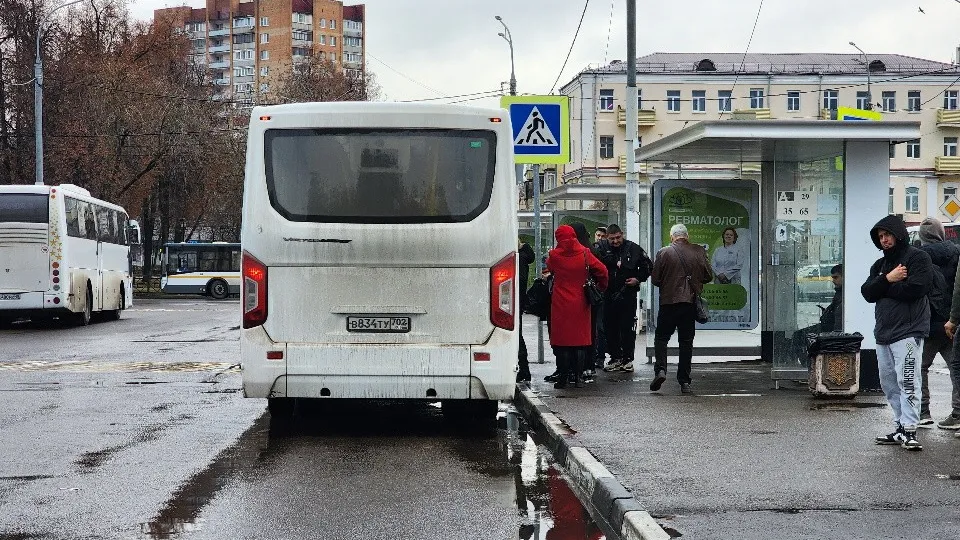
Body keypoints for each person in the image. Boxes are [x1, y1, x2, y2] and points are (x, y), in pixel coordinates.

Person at [861, 215, 933, 451]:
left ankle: (911, 429)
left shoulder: (918, 257)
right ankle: (899, 425)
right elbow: (867, 292)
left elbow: (918, 288)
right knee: (889, 383)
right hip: (884, 332)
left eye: (887, 235)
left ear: (898, 233)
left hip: (909, 331)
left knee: (909, 380)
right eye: (880, 237)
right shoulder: (880, 266)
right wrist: (888, 279)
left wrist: (883, 287)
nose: (884, 240)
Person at [650, 223, 712, 394]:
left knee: (661, 338)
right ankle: (684, 381)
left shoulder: (664, 252)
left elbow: (655, 279)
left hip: (668, 303)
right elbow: (708, 276)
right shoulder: (699, 251)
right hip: (689, 304)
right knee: (686, 342)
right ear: (687, 236)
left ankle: (661, 370)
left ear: (672, 237)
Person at [546, 225, 608, 389]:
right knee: (579, 341)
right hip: (581, 301)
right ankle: (578, 378)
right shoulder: (585, 253)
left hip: (560, 302)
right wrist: (601, 287)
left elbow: (549, 268)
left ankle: (563, 378)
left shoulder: (553, 255)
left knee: (562, 341)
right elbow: (603, 271)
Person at [915, 217, 960, 428]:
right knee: (956, 367)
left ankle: (923, 412)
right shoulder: (956, 253)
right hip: (952, 322)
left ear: (923, 237)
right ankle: (957, 413)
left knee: (920, 368)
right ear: (941, 233)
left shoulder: (918, 257)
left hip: (928, 322)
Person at [597, 224, 652, 373]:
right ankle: (615, 357)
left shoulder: (633, 248)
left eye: (618, 238)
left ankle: (627, 359)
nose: (615, 241)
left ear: (622, 234)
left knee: (627, 328)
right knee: (609, 328)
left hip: (627, 294)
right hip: (608, 294)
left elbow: (648, 267)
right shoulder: (601, 248)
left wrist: (638, 279)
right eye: (612, 239)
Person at [792, 264, 843, 365]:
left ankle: (809, 366)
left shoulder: (844, 294)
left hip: (831, 329)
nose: (833, 281)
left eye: (836, 277)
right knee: (799, 336)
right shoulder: (839, 292)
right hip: (828, 327)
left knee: (799, 336)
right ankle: (807, 364)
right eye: (833, 278)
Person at [517, 238, 536, 383]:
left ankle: (524, 369)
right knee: (517, 335)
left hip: (514, 301)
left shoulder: (519, 258)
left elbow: (520, 282)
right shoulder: (524, 256)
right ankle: (524, 369)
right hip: (518, 301)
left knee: (516, 336)